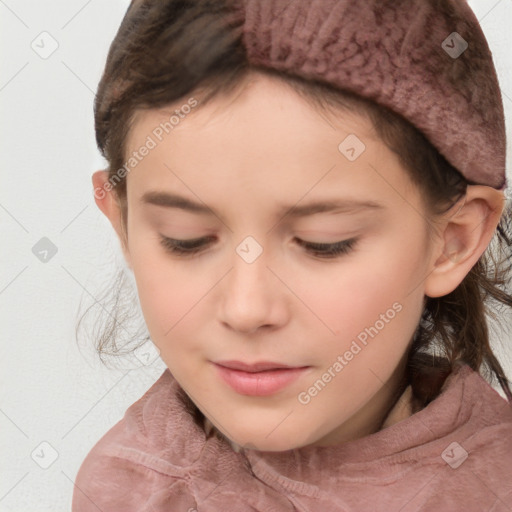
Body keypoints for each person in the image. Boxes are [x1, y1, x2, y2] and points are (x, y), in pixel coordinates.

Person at [72, 0, 512, 510]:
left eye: (325, 243)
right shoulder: (122, 488)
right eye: (184, 238)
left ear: (453, 240)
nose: (246, 308)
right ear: (123, 223)